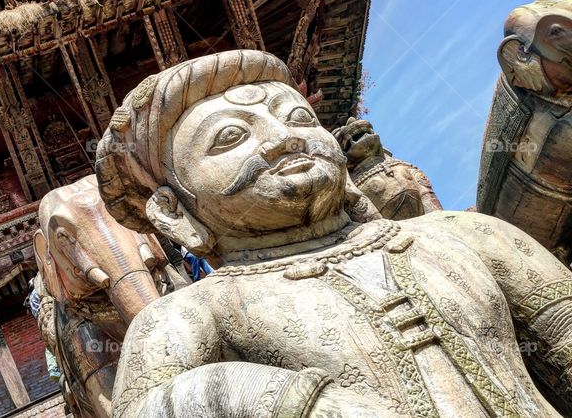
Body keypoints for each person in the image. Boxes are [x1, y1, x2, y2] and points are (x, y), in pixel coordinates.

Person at [95, 49, 572, 417]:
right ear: (173, 212)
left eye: (298, 118)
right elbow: (148, 406)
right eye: (231, 137)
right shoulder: (185, 313)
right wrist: (273, 398)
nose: (283, 137)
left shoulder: (464, 235)